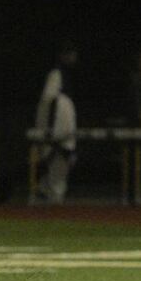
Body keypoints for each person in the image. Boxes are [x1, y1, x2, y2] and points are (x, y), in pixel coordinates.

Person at [35, 41, 79, 204]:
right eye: (70, 54)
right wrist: (51, 130)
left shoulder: (63, 76)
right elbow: (49, 101)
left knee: (61, 167)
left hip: (61, 131)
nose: (74, 58)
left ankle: (45, 192)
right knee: (58, 168)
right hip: (56, 131)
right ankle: (51, 201)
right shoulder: (56, 75)